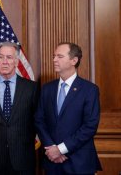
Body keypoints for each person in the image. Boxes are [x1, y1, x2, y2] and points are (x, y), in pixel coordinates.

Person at [34, 42, 102, 175]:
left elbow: (90, 126)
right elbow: (39, 120)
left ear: (74, 60)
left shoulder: (89, 90)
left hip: (79, 163)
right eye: (54, 56)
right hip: (52, 162)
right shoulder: (47, 89)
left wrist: (60, 149)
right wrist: (52, 149)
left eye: (59, 56)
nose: (54, 60)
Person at [0, 42, 38, 175]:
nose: (5, 62)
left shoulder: (31, 88)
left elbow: (36, 120)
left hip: (23, 158)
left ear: (16, 61)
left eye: (9, 57)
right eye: (1, 57)